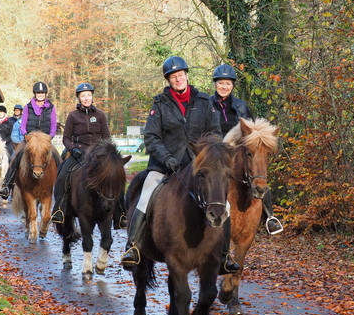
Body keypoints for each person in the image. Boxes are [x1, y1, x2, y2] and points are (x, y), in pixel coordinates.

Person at [120, 56, 239, 274]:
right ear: (169, 80)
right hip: (166, 165)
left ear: (186, 75)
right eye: (173, 77)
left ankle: (224, 255)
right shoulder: (159, 104)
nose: (178, 79)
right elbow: (152, 137)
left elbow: (214, 133)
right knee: (146, 192)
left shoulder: (204, 102)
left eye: (181, 75)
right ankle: (133, 247)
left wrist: (203, 156)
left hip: (197, 165)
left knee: (225, 204)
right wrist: (166, 157)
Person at [210, 64, 283, 235]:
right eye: (221, 83)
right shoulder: (207, 104)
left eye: (228, 84)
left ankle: (270, 217)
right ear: (215, 84)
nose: (224, 87)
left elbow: (251, 130)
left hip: (238, 152)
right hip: (216, 151)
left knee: (259, 175)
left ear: (232, 85)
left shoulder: (241, 106)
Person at [50, 83, 111, 223]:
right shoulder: (73, 116)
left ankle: (120, 212)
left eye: (88, 95)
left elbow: (107, 137)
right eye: (83, 96)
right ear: (78, 98)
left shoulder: (100, 115)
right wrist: (73, 149)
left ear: (92, 96)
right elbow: (66, 138)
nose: (86, 98)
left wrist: (104, 151)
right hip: (79, 153)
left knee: (114, 175)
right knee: (63, 174)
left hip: (98, 154)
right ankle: (58, 209)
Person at [0, 82, 58, 200]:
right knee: (14, 158)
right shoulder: (27, 107)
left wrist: (50, 136)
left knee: (59, 159)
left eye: (42, 93)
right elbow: (23, 124)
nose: (40, 95)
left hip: (45, 141)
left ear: (45, 94)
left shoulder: (51, 108)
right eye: (38, 93)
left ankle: (60, 188)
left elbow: (53, 125)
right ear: (35, 94)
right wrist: (26, 135)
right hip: (30, 139)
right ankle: (7, 185)